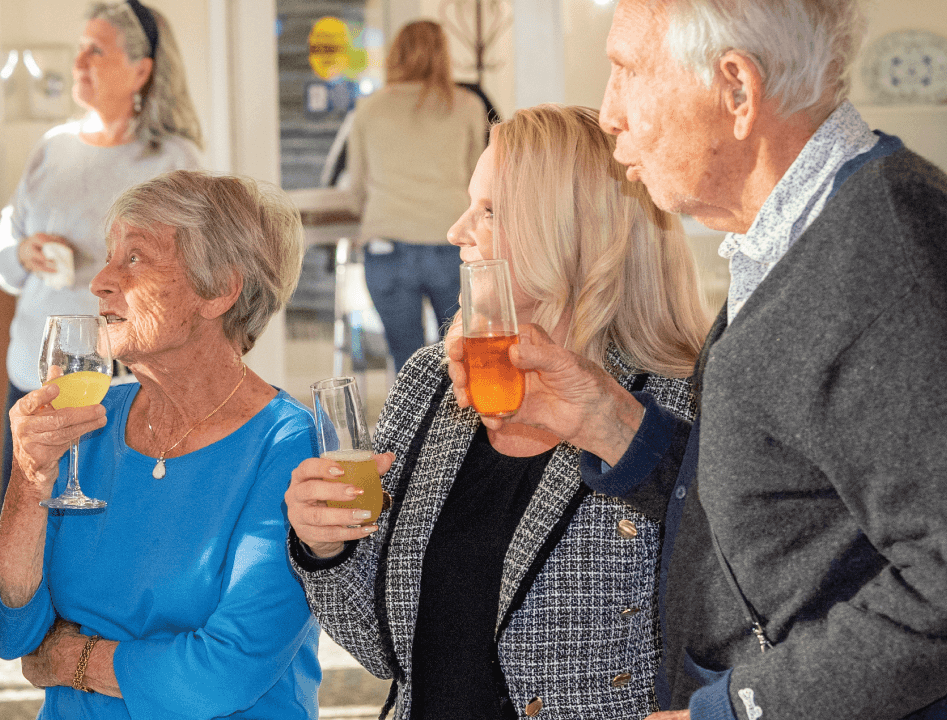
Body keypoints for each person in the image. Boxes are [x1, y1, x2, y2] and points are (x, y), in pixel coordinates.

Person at [455, 0, 947, 720]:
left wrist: (743, 707)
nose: (607, 114)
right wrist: (615, 427)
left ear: (736, 91)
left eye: (626, 73)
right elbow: (793, 509)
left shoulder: (884, 239)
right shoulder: (794, 233)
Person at [285, 105, 709, 720]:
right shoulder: (434, 382)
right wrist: (326, 545)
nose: (457, 231)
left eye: (488, 211)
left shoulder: (673, 408)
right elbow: (385, 651)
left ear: (572, 232)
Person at [0, 170, 320, 719]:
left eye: (134, 258)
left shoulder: (288, 445)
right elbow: (7, 629)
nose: (100, 282)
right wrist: (28, 477)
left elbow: (222, 673)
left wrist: (71, 660)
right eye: (110, 255)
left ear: (220, 289)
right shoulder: (90, 420)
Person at [0, 0, 204, 499]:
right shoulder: (52, 147)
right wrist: (25, 254)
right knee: (26, 523)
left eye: (96, 51)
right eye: (80, 49)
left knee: (107, 533)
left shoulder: (173, 160)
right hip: (34, 381)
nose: (78, 63)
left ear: (140, 70)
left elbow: (193, 277)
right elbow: (2, 258)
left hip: (124, 387)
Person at [342, 19, 490, 373]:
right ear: (443, 55)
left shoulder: (369, 108)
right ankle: (463, 429)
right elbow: (481, 183)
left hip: (387, 245)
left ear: (395, 53)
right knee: (462, 358)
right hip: (451, 243)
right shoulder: (467, 105)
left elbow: (356, 187)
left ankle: (411, 428)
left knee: (407, 363)